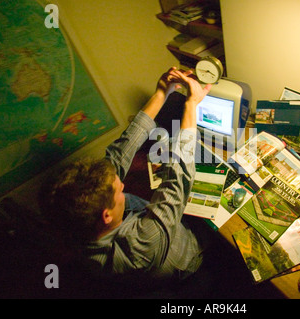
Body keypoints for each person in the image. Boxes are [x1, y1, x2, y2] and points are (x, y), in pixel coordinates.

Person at [41, 67, 212, 287]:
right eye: (118, 189)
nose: (123, 183)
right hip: (185, 259)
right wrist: (191, 104)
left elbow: (121, 152)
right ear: (106, 216)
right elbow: (179, 177)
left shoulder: (76, 216)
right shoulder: (141, 243)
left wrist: (162, 92)